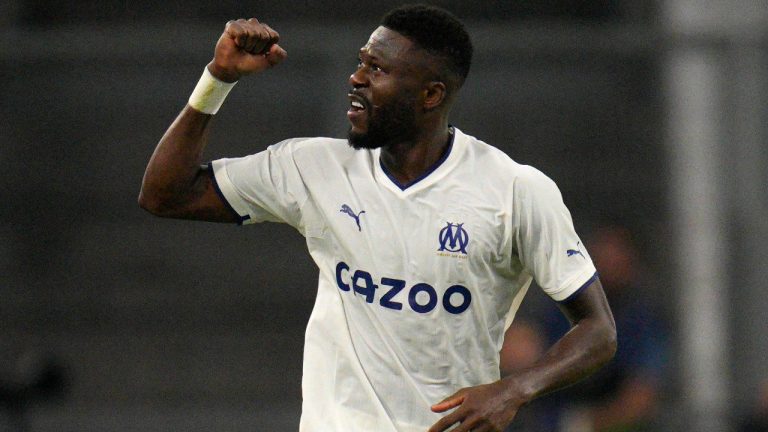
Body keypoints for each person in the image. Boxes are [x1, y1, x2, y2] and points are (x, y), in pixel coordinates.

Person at [138, 5, 616, 432]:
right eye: (361, 62)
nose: (357, 78)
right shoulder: (314, 168)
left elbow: (597, 331)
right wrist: (218, 78)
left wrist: (514, 390)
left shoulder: (515, 191)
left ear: (430, 95)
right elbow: (165, 195)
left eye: (378, 69)